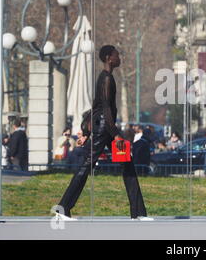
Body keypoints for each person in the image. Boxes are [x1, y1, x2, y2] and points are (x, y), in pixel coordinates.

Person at [56, 45, 152, 221]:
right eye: (117, 55)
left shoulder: (105, 78)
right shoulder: (106, 78)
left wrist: (85, 130)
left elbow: (96, 106)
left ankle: (138, 213)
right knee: (87, 166)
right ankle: (63, 207)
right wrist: (115, 134)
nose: (119, 57)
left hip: (104, 127)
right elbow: (105, 108)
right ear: (109, 58)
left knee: (127, 164)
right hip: (105, 129)